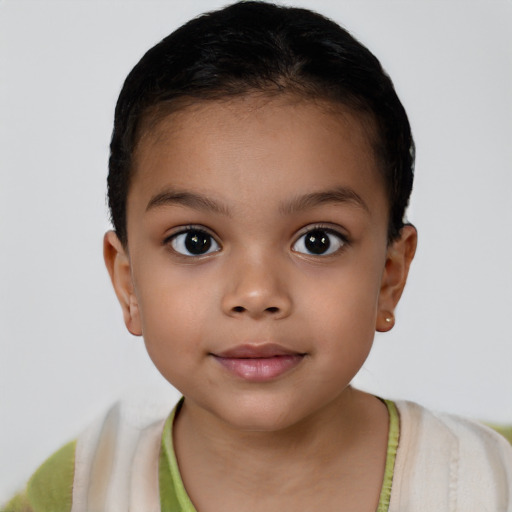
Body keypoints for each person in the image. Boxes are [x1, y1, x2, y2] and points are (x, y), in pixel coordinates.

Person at [3, 2, 511, 511]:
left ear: (388, 275)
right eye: (195, 241)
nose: (256, 294)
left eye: (318, 240)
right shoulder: (76, 494)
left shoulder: (491, 480)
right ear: (128, 282)